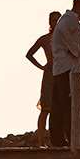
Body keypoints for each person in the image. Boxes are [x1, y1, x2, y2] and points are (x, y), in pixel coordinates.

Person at [49, 0, 80, 146]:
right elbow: (65, 35)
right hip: (68, 68)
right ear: (79, 7)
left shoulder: (66, 20)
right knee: (71, 104)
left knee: (60, 105)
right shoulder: (69, 21)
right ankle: (77, 139)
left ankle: (59, 139)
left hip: (62, 67)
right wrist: (75, 52)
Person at [25, 10, 59, 139]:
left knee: (61, 108)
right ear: (50, 22)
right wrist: (42, 67)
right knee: (46, 108)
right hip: (50, 74)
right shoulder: (45, 39)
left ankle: (60, 138)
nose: (56, 23)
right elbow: (29, 54)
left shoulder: (64, 38)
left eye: (58, 20)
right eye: (54, 20)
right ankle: (40, 139)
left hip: (62, 72)